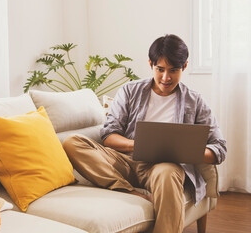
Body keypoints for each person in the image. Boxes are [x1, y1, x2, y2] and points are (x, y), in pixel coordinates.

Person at [62, 34, 227, 233]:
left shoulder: (195, 101)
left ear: (184, 67)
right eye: (160, 69)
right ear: (151, 64)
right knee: (72, 142)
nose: (166, 78)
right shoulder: (130, 91)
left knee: (167, 172)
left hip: (163, 168)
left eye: (173, 70)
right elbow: (109, 135)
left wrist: (186, 153)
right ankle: (129, 191)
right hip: (126, 162)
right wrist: (138, 144)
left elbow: (219, 148)